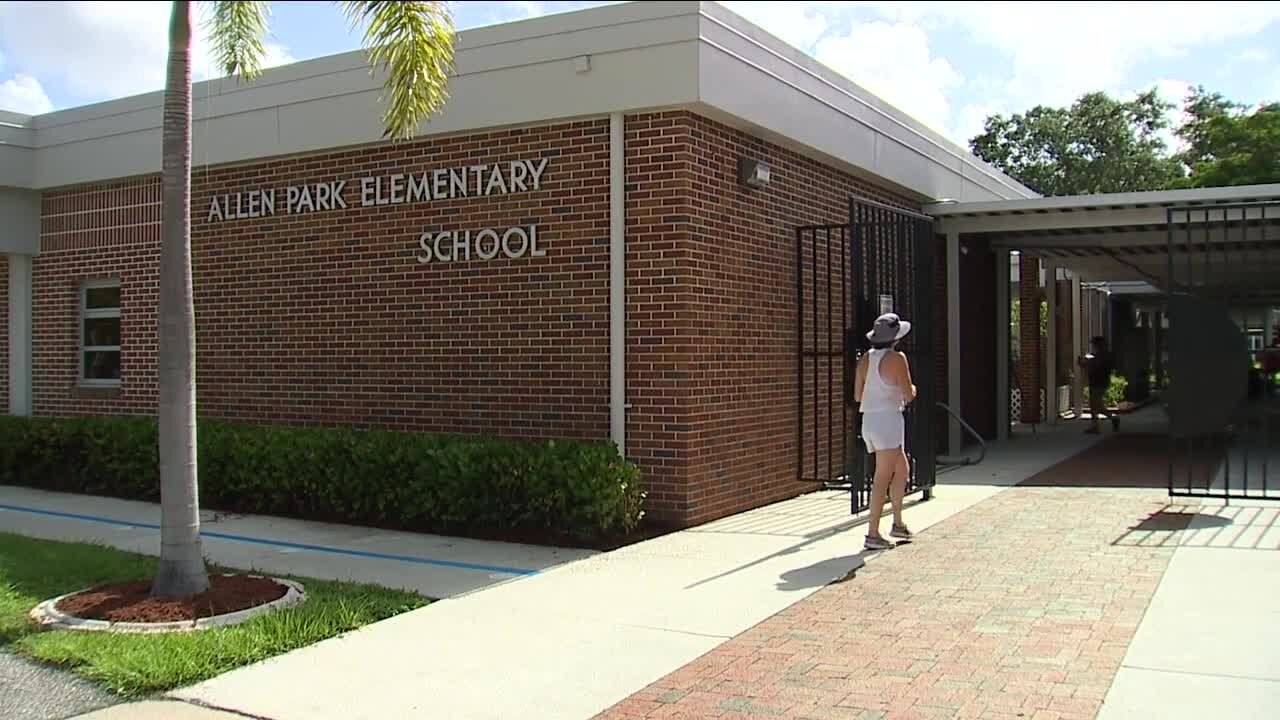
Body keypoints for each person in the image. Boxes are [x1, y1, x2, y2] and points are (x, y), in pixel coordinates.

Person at [853, 313, 917, 551]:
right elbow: (908, 394)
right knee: (882, 476)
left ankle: (897, 523)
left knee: (902, 469)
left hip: (869, 419)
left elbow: (858, 396)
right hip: (887, 421)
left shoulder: (864, 360)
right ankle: (872, 533)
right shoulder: (897, 358)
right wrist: (912, 389)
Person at [1080, 336, 1118, 434]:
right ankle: (1110, 419)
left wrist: (1086, 363)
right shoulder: (1099, 355)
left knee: (1095, 404)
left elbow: (1096, 365)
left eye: (1094, 344)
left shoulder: (1103, 356)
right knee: (1096, 404)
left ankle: (1099, 424)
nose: (1093, 346)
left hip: (1099, 382)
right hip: (1097, 382)